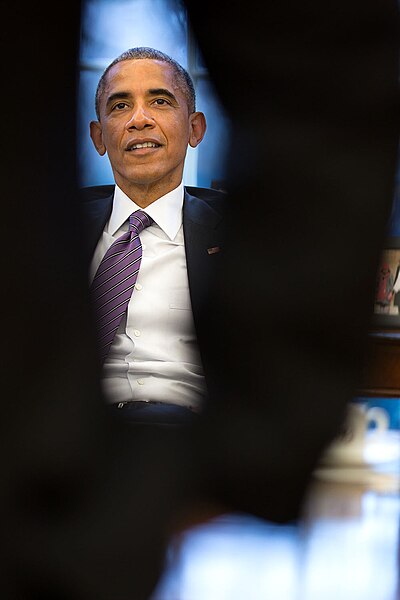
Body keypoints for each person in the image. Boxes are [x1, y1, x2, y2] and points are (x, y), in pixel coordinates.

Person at [81, 47, 227, 423]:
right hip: (73, 442)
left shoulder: (240, 230)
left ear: (195, 128)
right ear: (99, 138)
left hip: (195, 438)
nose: (139, 120)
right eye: (119, 107)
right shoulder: (52, 226)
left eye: (160, 101)